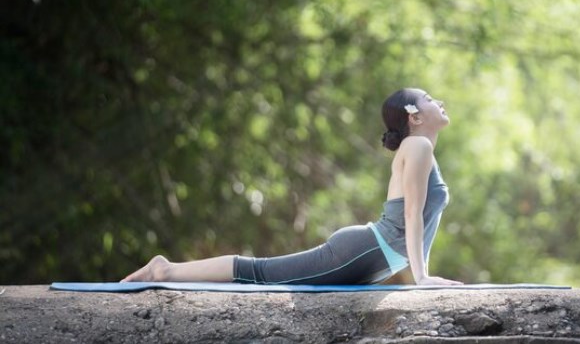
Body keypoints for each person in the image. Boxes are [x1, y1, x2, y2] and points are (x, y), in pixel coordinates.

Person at [122, 88, 463, 286]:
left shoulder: (422, 150)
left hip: (374, 257)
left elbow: (423, 223)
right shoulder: (417, 147)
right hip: (363, 250)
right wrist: (422, 279)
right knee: (261, 273)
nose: (439, 101)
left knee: (263, 272)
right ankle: (164, 269)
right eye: (429, 98)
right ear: (414, 118)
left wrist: (425, 277)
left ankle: (166, 268)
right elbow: (411, 214)